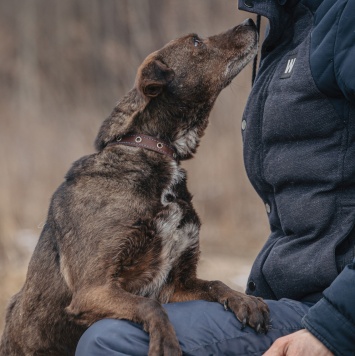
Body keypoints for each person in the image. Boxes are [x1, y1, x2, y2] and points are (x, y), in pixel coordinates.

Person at [76, 0, 355, 355]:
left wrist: (332, 329)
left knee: (112, 342)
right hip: (288, 300)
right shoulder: (289, 26)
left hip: (328, 313)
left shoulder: (343, 18)